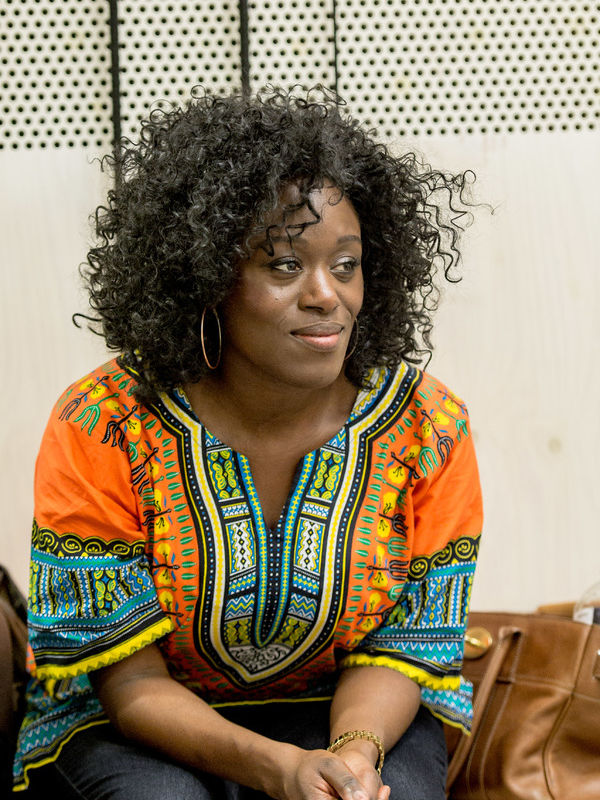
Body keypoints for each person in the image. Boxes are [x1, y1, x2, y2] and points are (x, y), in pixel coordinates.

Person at [13, 86, 483, 800]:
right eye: (284, 266)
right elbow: (128, 682)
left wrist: (353, 757)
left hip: (345, 712)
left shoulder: (427, 427)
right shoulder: (105, 422)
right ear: (205, 278)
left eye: (346, 264)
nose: (326, 295)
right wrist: (277, 769)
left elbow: (402, 646)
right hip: (134, 722)